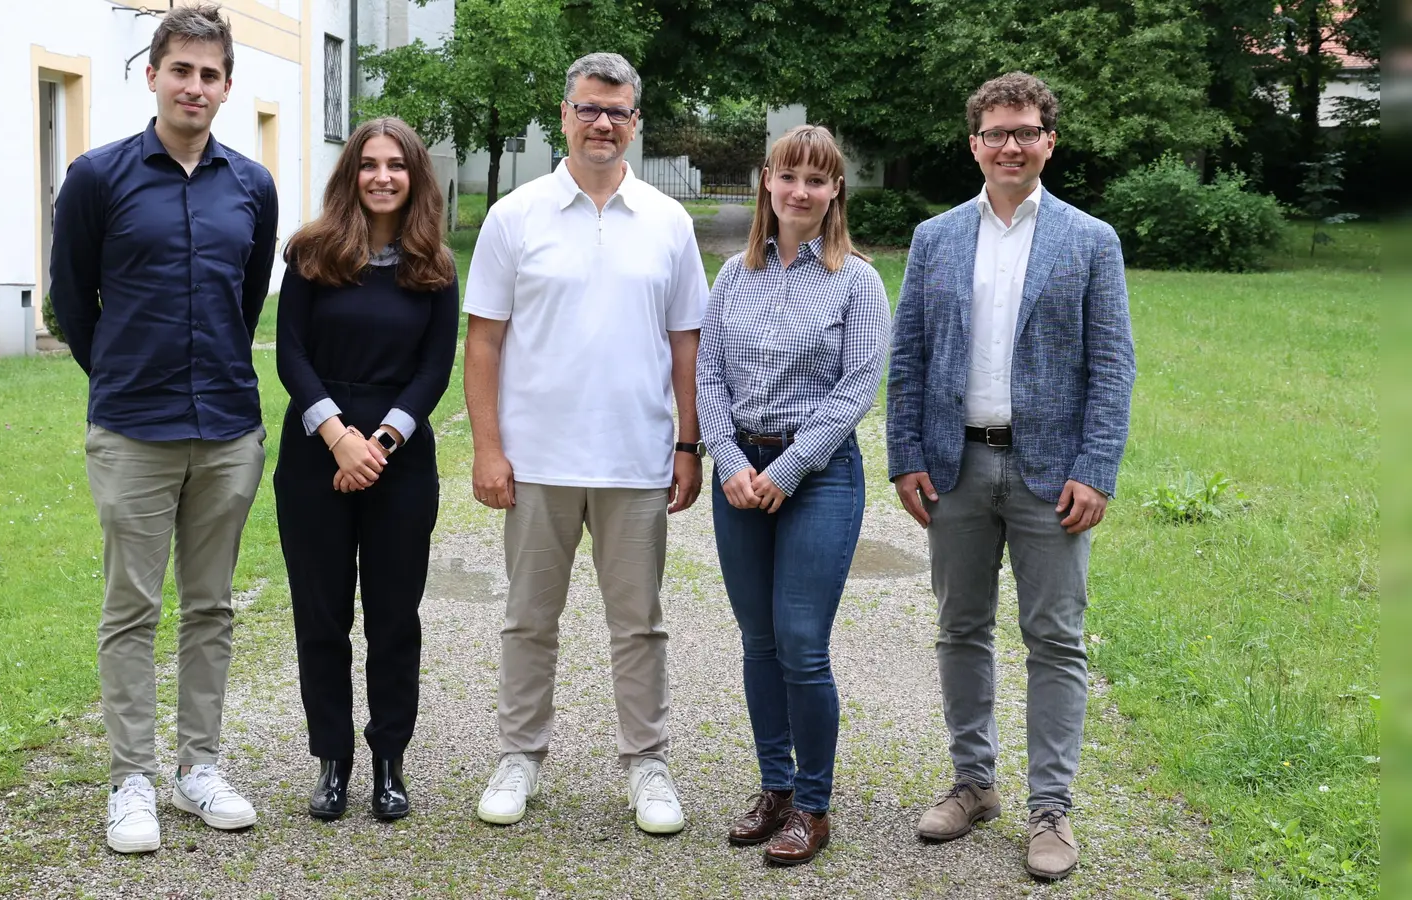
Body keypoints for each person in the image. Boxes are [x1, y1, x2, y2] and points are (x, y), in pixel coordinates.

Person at [885, 71, 1136, 881]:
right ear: (974, 143)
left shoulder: (1090, 240)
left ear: (1048, 141)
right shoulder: (936, 238)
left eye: (1025, 131)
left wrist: (1097, 468)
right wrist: (906, 456)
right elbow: (910, 358)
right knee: (960, 629)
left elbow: (1112, 366)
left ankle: (1051, 809)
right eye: (995, 132)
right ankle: (973, 783)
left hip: (1052, 474)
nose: (1010, 145)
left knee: (1054, 639)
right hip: (955, 466)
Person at [48, 2, 278, 855]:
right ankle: (131, 779)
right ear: (152, 75)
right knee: (132, 607)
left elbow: (244, 299)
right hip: (133, 430)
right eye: (180, 69)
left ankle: (199, 768)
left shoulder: (252, 186)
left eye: (210, 74)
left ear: (226, 86)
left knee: (211, 606)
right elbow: (73, 300)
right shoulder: (98, 177)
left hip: (226, 428)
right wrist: (120, 377)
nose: (195, 85)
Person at [462, 52, 709, 835]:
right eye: (589, 109)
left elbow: (686, 346)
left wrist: (687, 443)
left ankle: (647, 764)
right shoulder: (516, 215)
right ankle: (519, 757)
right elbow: (484, 344)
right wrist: (487, 448)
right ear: (563, 115)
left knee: (639, 623)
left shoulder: (669, 223)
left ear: (636, 122)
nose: (603, 123)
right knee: (529, 618)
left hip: (635, 458)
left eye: (619, 111)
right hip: (536, 460)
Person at [697, 124, 891, 866]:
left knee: (802, 646)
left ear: (835, 190)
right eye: (788, 177)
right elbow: (708, 374)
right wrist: (726, 458)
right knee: (758, 641)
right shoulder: (733, 275)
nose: (800, 191)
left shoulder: (856, 280)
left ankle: (812, 803)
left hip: (819, 478)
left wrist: (787, 471)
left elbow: (856, 390)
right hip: (739, 474)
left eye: (816, 179)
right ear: (766, 183)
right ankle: (773, 786)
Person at [273, 117, 458, 823]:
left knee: (392, 617)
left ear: (415, 176)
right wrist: (336, 436)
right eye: (369, 164)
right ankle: (332, 760)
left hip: (399, 458)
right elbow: (291, 353)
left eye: (397, 165)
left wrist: (377, 441)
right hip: (315, 452)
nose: (383, 176)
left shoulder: (434, 265)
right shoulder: (312, 252)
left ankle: (388, 759)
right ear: (351, 174)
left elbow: (434, 368)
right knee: (320, 616)